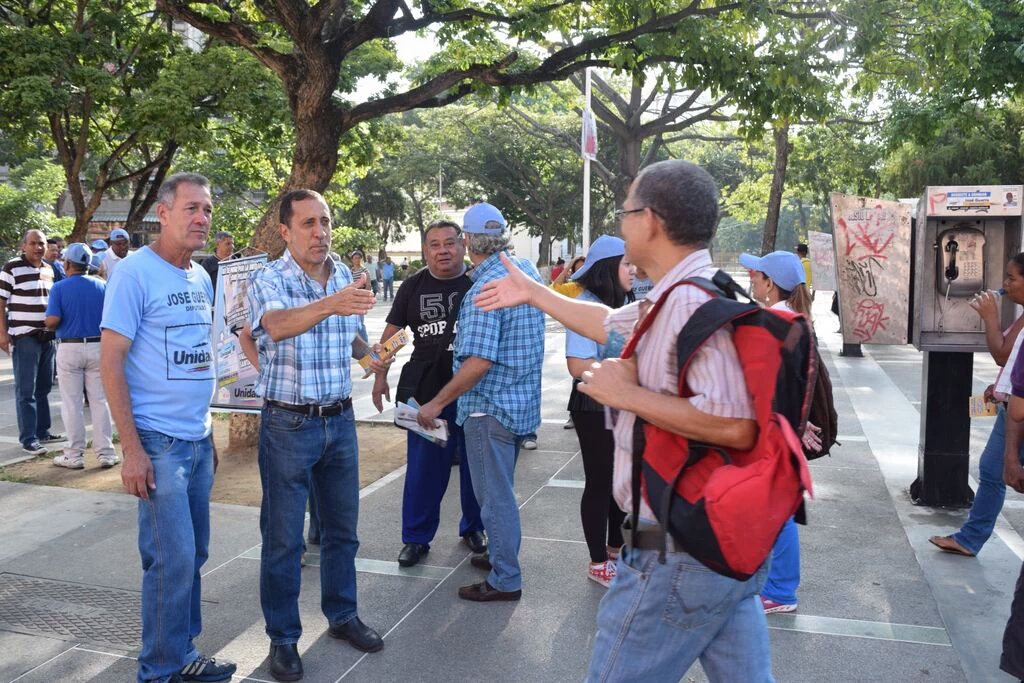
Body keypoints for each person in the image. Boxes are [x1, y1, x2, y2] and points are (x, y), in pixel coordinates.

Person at [474, 160, 774, 681]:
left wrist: (627, 395)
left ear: (651, 220)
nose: (620, 225)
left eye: (625, 213)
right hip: (715, 543)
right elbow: (611, 325)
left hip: (676, 553)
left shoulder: (687, 301)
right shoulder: (694, 291)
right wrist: (535, 293)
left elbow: (736, 425)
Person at [100, 173, 236, 683]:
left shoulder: (200, 276)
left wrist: (209, 435)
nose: (202, 218)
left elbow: (199, 358)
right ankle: (158, 671)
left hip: (196, 440)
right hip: (157, 443)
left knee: (194, 553)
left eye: (206, 209)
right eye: (191, 209)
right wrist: (131, 450)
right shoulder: (134, 274)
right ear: (164, 212)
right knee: (172, 557)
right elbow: (110, 363)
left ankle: (183, 652)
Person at [247, 189, 385, 681]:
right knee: (284, 540)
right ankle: (283, 639)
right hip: (288, 423)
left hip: (339, 421)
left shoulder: (342, 276)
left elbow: (346, 332)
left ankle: (342, 615)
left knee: (342, 532)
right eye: (308, 223)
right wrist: (334, 303)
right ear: (285, 231)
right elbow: (278, 326)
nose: (320, 232)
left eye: (325, 221)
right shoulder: (270, 278)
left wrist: (371, 357)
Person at [415, 202, 545, 602]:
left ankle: (506, 578)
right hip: (519, 404)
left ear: (467, 241)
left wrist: (436, 403)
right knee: (500, 492)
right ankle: (500, 556)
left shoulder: (484, 290)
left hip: (488, 408)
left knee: (494, 500)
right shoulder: (527, 273)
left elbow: (478, 361)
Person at [372, 219, 486, 568]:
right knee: (423, 469)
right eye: (434, 244)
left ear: (463, 245)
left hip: (471, 389)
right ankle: (416, 538)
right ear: (425, 250)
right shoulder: (412, 287)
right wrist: (379, 377)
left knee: (475, 465)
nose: (443, 250)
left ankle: (474, 528)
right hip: (424, 393)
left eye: (449, 243)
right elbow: (392, 338)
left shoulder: (479, 283)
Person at [740, 249, 820, 614]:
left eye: (756, 275)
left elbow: (767, 386)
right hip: (784, 429)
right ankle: (776, 584)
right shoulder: (795, 319)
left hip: (773, 431)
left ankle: (781, 591)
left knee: (778, 510)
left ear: (770, 283)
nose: (751, 279)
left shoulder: (774, 323)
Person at [929, 255, 1024, 558]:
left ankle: (971, 538)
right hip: (1011, 404)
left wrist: (991, 317)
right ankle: (970, 538)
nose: (1005, 284)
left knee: (998, 469)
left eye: (1012, 278)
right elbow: (1014, 365)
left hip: (1018, 413)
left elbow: (1002, 355)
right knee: (991, 470)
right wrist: (1001, 388)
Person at [563, 235, 633, 587]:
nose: (633, 271)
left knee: (620, 480)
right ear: (608, 269)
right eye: (626, 264)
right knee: (600, 481)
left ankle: (616, 548)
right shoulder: (586, 306)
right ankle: (597, 561)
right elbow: (577, 365)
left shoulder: (626, 304)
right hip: (593, 404)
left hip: (622, 401)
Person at [45, 243, 117, 469]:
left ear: (67, 264)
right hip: (98, 346)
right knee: (99, 401)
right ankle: (106, 453)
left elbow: (52, 320)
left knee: (71, 403)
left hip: (69, 347)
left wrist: (47, 324)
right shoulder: (103, 286)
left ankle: (74, 455)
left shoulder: (59, 288)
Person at [0, 229, 61, 455]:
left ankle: (43, 431)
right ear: (23, 246)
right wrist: (2, 334)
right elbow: (1, 301)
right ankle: (28, 439)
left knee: (44, 388)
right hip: (25, 337)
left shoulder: (49, 269)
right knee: (26, 390)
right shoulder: (11, 268)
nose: (38, 248)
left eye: (42, 244)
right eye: (33, 243)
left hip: (47, 337)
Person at [199, 231, 236, 297]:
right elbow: (201, 285)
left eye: (232, 244)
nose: (232, 246)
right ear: (217, 244)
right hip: (216, 304)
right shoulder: (208, 263)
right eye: (228, 244)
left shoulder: (237, 261)